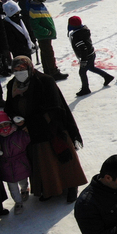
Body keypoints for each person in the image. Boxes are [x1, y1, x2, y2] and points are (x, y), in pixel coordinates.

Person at [4, 56, 85, 201]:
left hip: (50, 127)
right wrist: (17, 119)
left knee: (61, 157)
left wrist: (32, 123)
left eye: (22, 69)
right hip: (29, 132)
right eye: (15, 70)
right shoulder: (12, 85)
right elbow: (9, 106)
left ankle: (71, 185)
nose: (19, 72)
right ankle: (49, 189)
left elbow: (54, 106)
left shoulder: (44, 81)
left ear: (29, 68)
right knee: (42, 163)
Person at [25, 0, 69, 80]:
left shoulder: (38, 4)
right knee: (48, 53)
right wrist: (47, 32)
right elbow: (35, 25)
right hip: (43, 35)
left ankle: (48, 71)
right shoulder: (34, 8)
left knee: (45, 52)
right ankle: (53, 72)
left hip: (45, 34)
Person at [67, 16, 115, 96]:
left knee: (82, 72)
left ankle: (85, 89)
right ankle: (107, 76)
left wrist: (84, 60)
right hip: (91, 53)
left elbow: (83, 49)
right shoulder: (84, 30)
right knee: (91, 67)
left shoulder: (77, 36)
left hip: (86, 56)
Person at [0, 113, 31, 215]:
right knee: (12, 186)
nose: (4, 128)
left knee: (22, 180)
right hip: (7, 166)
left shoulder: (18, 133)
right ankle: (18, 202)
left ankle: (24, 189)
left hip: (20, 162)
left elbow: (28, 140)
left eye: (6, 124)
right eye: (1, 126)